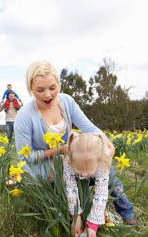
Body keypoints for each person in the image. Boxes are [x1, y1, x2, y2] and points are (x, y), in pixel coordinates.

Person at [14, 60, 136, 225]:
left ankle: (127, 215)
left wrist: (107, 143)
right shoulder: (24, 116)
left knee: (106, 170)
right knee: (72, 188)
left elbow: (89, 127)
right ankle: (80, 217)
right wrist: (60, 150)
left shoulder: (66, 102)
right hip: (44, 169)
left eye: (52, 88)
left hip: (71, 159)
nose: (48, 95)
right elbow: (25, 158)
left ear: (58, 83)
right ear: (30, 88)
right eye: (40, 90)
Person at [63, 131, 113, 237]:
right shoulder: (69, 161)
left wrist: (93, 225)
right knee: (81, 188)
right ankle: (82, 217)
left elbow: (101, 194)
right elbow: (70, 189)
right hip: (81, 171)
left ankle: (126, 211)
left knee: (116, 187)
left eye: (88, 170)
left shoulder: (102, 163)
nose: (84, 174)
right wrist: (76, 216)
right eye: (80, 168)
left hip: (100, 171)